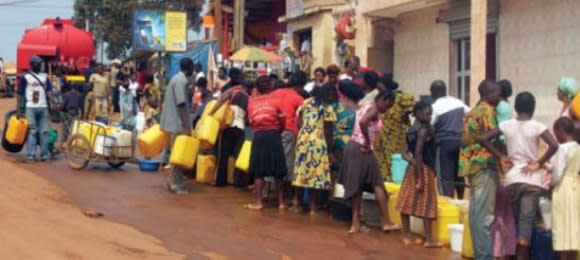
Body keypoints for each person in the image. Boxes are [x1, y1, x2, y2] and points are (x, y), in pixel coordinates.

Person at [479, 92, 559, 260]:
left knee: (516, 224)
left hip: (512, 180)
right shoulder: (537, 126)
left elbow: (483, 139)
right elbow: (553, 145)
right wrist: (539, 162)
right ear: (533, 107)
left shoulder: (507, 125)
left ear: (515, 107)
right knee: (526, 225)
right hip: (531, 181)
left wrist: (500, 157)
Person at [338, 90, 400, 233]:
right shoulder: (374, 109)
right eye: (388, 105)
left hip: (353, 147)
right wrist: (366, 141)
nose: (387, 109)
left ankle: (355, 223)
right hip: (362, 149)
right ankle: (386, 221)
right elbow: (363, 122)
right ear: (382, 100)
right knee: (377, 182)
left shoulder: (365, 107)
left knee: (357, 185)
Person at [458, 79, 501, 260]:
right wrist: (502, 156)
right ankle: (484, 256)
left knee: (476, 213)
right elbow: (492, 137)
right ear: (486, 94)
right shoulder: (487, 111)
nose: (498, 97)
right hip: (484, 165)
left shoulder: (472, 112)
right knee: (484, 216)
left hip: (471, 166)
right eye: (496, 94)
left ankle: (479, 253)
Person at [397, 101, 441, 248]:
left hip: (412, 169)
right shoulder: (423, 131)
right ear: (419, 113)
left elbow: (404, 153)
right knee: (426, 202)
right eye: (428, 113)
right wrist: (420, 177)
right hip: (424, 169)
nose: (430, 116)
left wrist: (413, 163)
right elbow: (418, 152)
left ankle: (406, 234)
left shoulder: (411, 130)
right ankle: (429, 239)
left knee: (406, 200)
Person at [244, 76, 286, 210]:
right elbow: (282, 121)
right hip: (274, 135)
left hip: (259, 136)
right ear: (270, 86)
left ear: (257, 88)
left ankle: (258, 202)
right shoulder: (277, 101)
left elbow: (250, 121)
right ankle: (281, 202)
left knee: (258, 170)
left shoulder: (251, 103)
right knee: (278, 170)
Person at [292, 85, 336, 214]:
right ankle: (313, 207)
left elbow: (298, 122)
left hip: (303, 140)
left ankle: (297, 203)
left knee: (301, 172)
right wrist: (330, 151)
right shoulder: (327, 107)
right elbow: (328, 131)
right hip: (318, 141)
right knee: (315, 174)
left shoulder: (305, 103)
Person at [209, 69, 250, 187]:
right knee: (238, 155)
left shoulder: (232, 90)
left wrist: (210, 113)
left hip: (228, 126)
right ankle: (237, 182)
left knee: (223, 155)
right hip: (240, 128)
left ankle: (220, 181)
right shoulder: (248, 96)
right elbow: (248, 118)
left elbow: (220, 101)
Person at [429, 80, 470, 198]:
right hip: (461, 142)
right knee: (459, 173)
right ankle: (461, 199)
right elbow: (471, 114)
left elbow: (429, 124)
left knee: (445, 176)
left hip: (444, 144)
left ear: (433, 92)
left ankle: (448, 201)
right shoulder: (458, 102)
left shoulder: (435, 106)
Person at [160, 57, 194, 194]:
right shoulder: (181, 81)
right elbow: (181, 104)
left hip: (172, 123)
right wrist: (187, 126)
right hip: (177, 124)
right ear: (190, 68)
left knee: (174, 154)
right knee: (178, 155)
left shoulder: (175, 78)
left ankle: (171, 182)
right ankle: (176, 184)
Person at [550, 117, 580, 260]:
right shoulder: (578, 148)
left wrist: (550, 185)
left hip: (563, 189)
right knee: (574, 227)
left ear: (561, 131)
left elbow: (557, 175)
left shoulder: (562, 148)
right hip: (576, 188)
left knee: (562, 227)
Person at [270, 73, 305, 199]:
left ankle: (273, 191)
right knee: (287, 162)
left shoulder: (274, 93)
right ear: (300, 86)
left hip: (273, 130)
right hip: (289, 131)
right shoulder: (298, 98)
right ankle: (286, 194)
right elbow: (303, 115)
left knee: (273, 159)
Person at [374, 77, 415, 180]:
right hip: (382, 135)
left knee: (394, 159)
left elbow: (414, 105)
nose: (379, 91)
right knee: (381, 159)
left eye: (380, 88)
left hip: (396, 136)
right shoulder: (380, 99)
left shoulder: (400, 97)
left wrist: (406, 112)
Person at [18, 56, 54, 161]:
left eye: (41, 64)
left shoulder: (44, 76)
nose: (40, 66)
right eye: (38, 64)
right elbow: (20, 93)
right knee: (32, 131)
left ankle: (44, 154)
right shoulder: (25, 77)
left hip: (43, 107)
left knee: (44, 132)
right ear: (33, 65)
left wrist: (52, 102)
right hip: (30, 108)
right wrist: (19, 108)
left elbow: (49, 91)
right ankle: (31, 154)